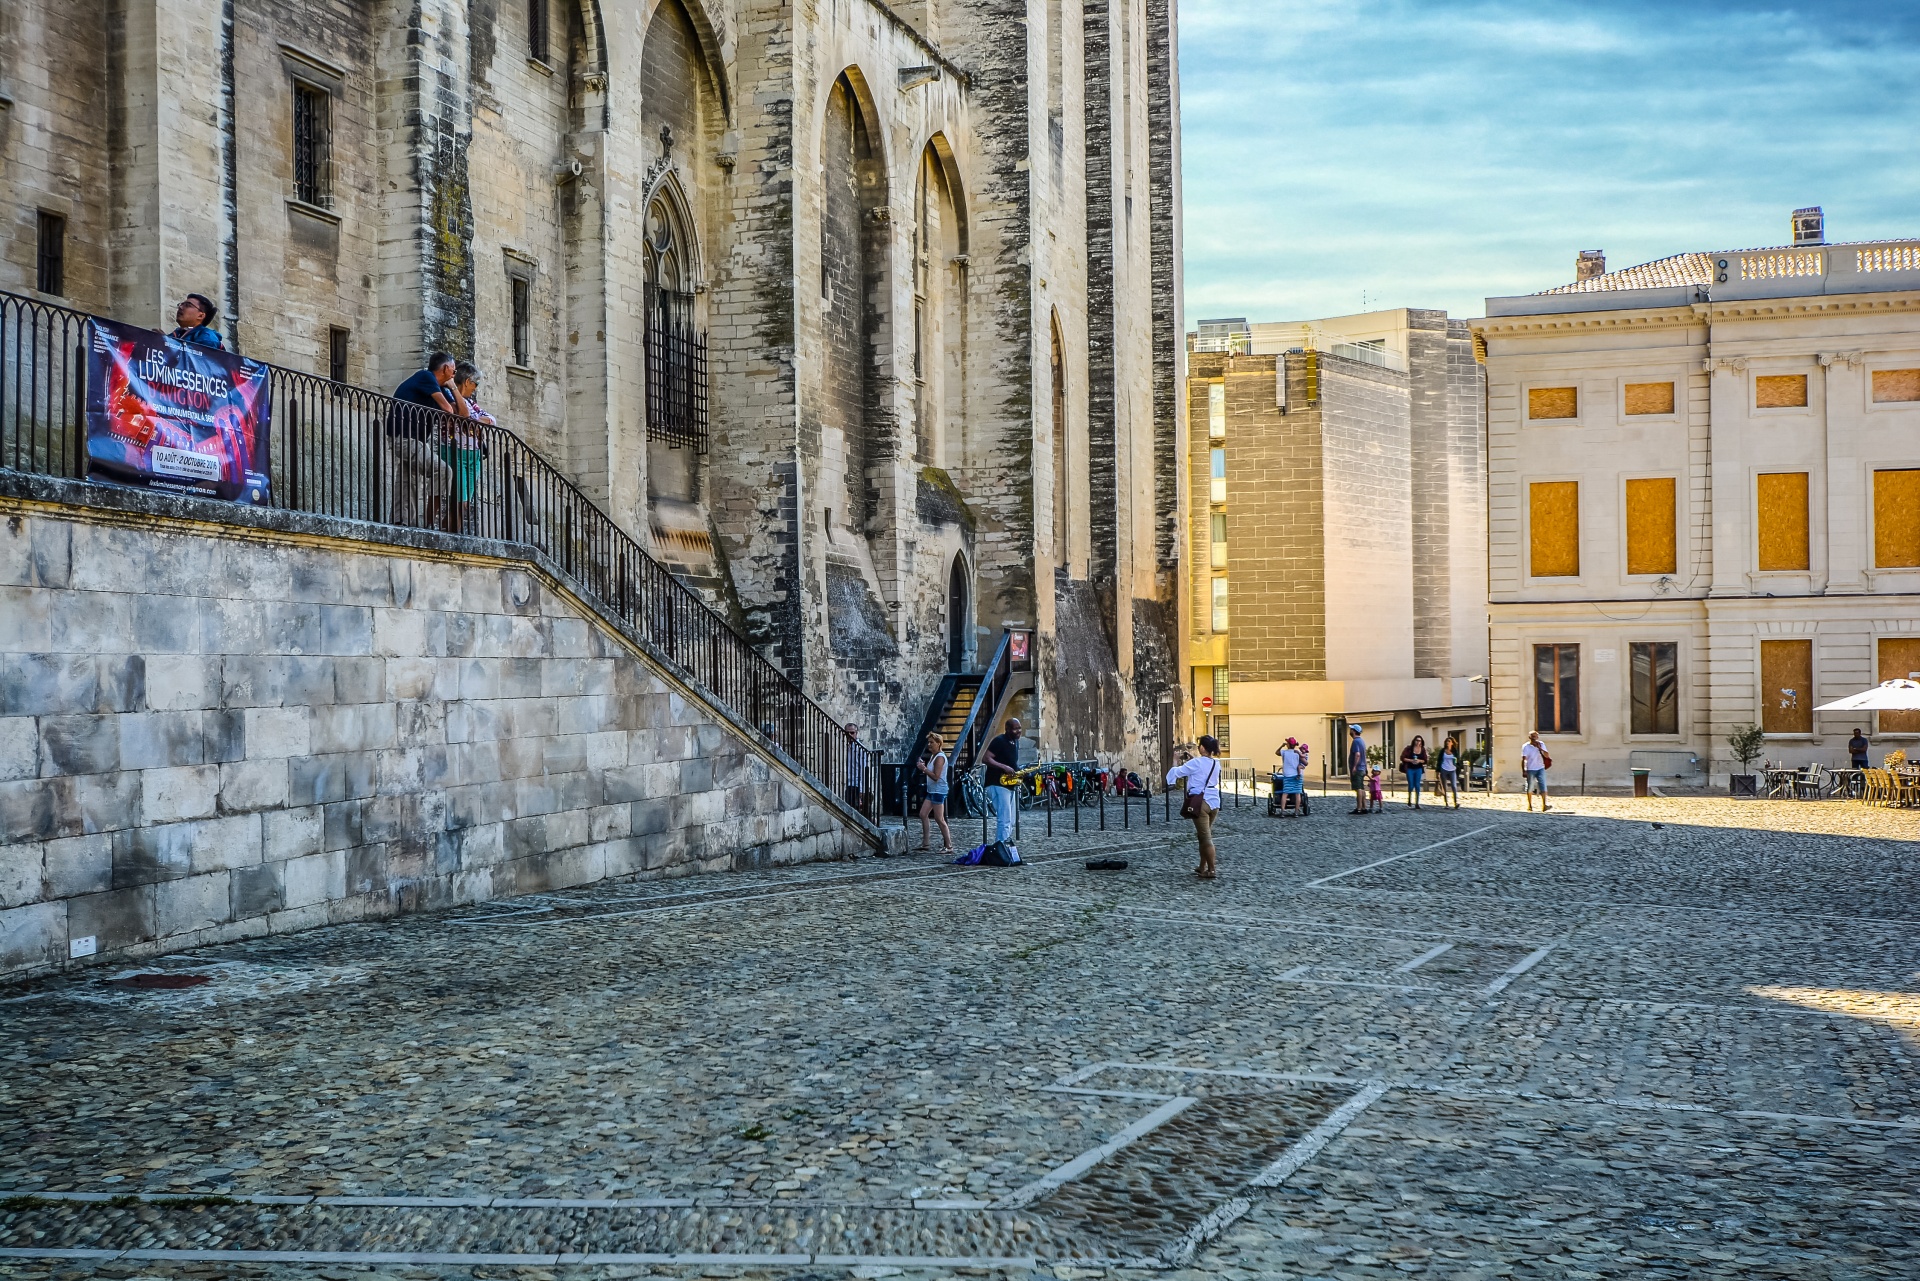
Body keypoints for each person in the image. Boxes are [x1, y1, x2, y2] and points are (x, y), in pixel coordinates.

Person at [388, 352, 461, 530]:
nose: (454, 374)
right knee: (443, 471)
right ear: (445, 368)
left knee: (408, 479)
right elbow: (447, 409)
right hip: (405, 438)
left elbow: (460, 413)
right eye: (453, 370)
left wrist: (454, 390)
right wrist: (451, 390)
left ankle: (401, 522)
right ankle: (429, 522)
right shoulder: (425, 376)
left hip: (415, 440)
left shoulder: (439, 387)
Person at [442, 363, 493, 534]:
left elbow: (491, 419)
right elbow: (463, 415)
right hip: (455, 452)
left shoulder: (471, 402)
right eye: (475, 383)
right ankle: (452, 536)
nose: (476, 388)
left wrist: (474, 421)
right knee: (459, 501)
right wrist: (472, 420)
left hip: (474, 455)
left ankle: (448, 532)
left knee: (463, 503)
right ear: (466, 381)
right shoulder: (449, 396)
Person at [1167, 735, 1223, 879]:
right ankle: (1202, 866)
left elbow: (1178, 772)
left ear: (1203, 748)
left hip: (1201, 802)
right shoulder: (1216, 763)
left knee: (1205, 838)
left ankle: (1211, 870)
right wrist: (1193, 759)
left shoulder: (1197, 763)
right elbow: (1203, 770)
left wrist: (1175, 761)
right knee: (1203, 835)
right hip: (1214, 802)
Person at [982, 717, 1024, 848]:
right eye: (1015, 728)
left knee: (1011, 819)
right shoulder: (999, 741)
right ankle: (1001, 846)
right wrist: (1003, 767)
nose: (1019, 731)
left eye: (1020, 728)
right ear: (1007, 729)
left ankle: (1005, 843)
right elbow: (986, 758)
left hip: (1009, 784)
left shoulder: (1014, 742)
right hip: (997, 783)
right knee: (1004, 818)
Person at [916, 731, 953, 853]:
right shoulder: (933, 756)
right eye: (929, 742)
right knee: (923, 814)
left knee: (939, 818)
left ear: (938, 743)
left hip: (938, 790)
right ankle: (925, 843)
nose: (929, 745)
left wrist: (924, 769)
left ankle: (948, 845)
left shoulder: (940, 757)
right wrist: (924, 768)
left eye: (932, 742)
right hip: (932, 790)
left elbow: (936, 776)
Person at [843, 721, 870, 817]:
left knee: (858, 812)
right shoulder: (848, 747)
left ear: (856, 733)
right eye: (847, 733)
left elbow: (863, 769)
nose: (849, 735)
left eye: (852, 733)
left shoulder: (860, 749)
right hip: (850, 784)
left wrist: (862, 790)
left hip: (857, 785)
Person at [1520, 730, 1552, 811]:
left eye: (1535, 737)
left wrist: (1540, 748)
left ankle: (1545, 805)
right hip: (1530, 768)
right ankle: (1530, 805)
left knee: (1543, 785)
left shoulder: (1541, 744)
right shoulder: (1526, 746)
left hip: (1540, 767)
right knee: (1530, 787)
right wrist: (1524, 770)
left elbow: (1547, 755)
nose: (1534, 738)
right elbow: (1524, 759)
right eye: (1532, 737)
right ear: (1529, 737)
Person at [1276, 736, 1305, 817]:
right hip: (1297, 775)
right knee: (1297, 793)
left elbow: (1277, 752)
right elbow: (1304, 760)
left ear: (1288, 744)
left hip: (1287, 775)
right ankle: (1296, 811)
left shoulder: (1284, 752)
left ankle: (1282, 811)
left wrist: (1282, 745)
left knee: (1285, 793)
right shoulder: (1297, 752)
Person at [1400, 734, 1429, 810]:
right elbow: (1402, 757)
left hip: (1418, 768)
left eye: (1419, 740)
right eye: (1416, 740)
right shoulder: (1409, 748)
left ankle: (1417, 803)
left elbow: (1425, 760)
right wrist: (1411, 760)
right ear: (1414, 741)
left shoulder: (1422, 750)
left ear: (1421, 742)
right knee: (1411, 785)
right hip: (1410, 768)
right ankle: (1409, 799)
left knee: (1417, 785)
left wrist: (1419, 761)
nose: (1418, 742)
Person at [1346, 724, 1369, 814]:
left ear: (1354, 731)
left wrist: (1354, 766)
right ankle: (1364, 807)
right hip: (1362, 768)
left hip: (1358, 768)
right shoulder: (1362, 741)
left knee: (1358, 788)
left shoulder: (1356, 741)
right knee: (1362, 788)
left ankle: (1359, 808)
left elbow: (1358, 754)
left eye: (1351, 729)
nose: (1350, 730)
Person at [1436, 735, 1462, 809]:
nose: (1447, 743)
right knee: (1444, 787)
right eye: (1447, 741)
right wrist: (1438, 771)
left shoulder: (1455, 751)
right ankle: (1446, 803)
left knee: (1454, 786)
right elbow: (1439, 761)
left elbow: (1458, 761)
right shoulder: (1442, 751)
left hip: (1452, 770)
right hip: (1444, 769)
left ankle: (1456, 802)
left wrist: (1457, 765)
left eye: (1449, 741)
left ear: (1452, 743)